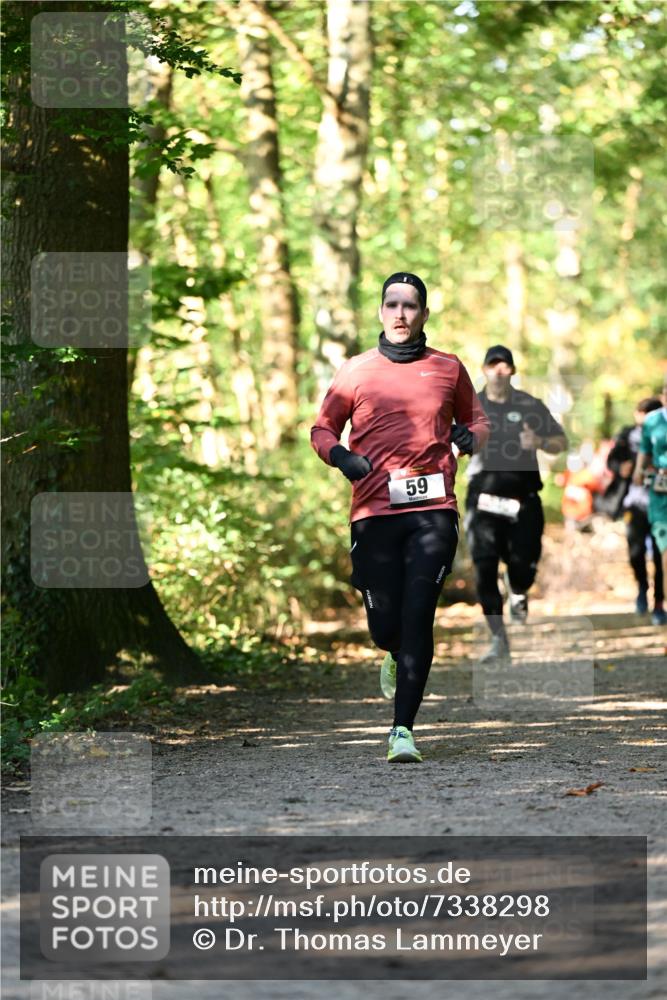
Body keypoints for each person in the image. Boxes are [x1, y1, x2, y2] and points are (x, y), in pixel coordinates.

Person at [311, 272, 489, 763]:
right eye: (392, 304)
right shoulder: (356, 371)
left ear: (424, 314)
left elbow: (477, 419)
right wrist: (342, 457)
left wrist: (474, 437)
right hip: (373, 511)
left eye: (410, 306)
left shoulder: (449, 368)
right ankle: (390, 650)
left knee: (418, 616)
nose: (400, 314)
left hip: (434, 509)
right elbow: (322, 428)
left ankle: (402, 730)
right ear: (380, 312)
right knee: (385, 625)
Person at [464, 345, 567, 661]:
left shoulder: (529, 405)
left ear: (512, 371)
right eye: (492, 364)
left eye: (504, 365)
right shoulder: (471, 406)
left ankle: (518, 588)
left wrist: (538, 441)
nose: (498, 370)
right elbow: (449, 440)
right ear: (483, 370)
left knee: (523, 567)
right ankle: (498, 639)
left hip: (523, 500)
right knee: (483, 568)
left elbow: (560, 442)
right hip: (482, 500)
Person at [606, 397, 664, 623]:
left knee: (661, 556)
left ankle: (659, 603)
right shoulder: (627, 435)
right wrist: (622, 468)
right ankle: (642, 586)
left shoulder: (663, 433)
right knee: (635, 550)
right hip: (633, 503)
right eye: (642, 413)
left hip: (660, 503)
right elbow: (611, 460)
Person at [633, 379, 667, 628]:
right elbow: (644, 450)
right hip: (660, 493)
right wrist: (638, 470)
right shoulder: (652, 421)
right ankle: (660, 604)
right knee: (664, 552)